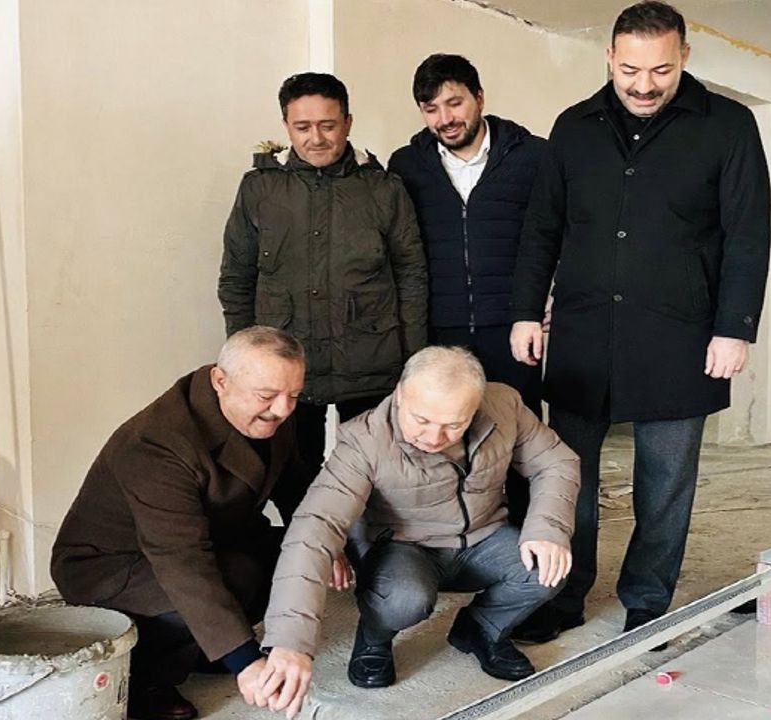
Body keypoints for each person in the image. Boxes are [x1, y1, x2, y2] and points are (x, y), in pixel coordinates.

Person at [508, 0, 771, 644]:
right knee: (566, 476)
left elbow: (747, 232)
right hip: (582, 333)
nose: (644, 85)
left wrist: (735, 326)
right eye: (630, 70)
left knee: (666, 482)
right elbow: (542, 227)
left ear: (684, 57)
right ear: (609, 58)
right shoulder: (573, 128)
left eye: (660, 70)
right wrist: (525, 311)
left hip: (680, 335)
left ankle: (648, 600)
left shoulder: (728, 126)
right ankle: (563, 595)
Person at [248, 347, 580, 717]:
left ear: (476, 406)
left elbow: (557, 461)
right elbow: (314, 527)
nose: (434, 437)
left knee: (548, 568)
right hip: (404, 546)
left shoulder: (504, 405)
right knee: (404, 598)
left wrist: (548, 528)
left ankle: (481, 628)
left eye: (454, 425)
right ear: (400, 394)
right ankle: (374, 637)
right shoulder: (363, 440)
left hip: (482, 537)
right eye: (421, 419)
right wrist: (290, 642)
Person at [51, 327, 310, 720]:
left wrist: (322, 546)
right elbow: (182, 561)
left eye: (294, 395)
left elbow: (295, 487)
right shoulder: (157, 442)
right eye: (267, 396)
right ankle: (141, 678)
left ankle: (206, 648)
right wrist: (244, 660)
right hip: (112, 565)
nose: (283, 409)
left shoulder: (272, 408)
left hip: (210, 538)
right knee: (235, 577)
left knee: (287, 560)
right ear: (220, 381)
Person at [219, 71, 428, 480]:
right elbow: (236, 279)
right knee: (289, 479)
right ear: (286, 126)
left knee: (375, 476)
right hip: (286, 366)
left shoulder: (384, 189)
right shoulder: (259, 189)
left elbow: (412, 277)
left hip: (371, 364)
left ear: (348, 123)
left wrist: (414, 363)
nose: (316, 138)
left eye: (328, 125)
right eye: (303, 127)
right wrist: (244, 363)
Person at [388, 53, 546, 524]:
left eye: (454, 103)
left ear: (479, 97)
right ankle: (453, 538)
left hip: (512, 328)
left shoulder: (533, 156)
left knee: (518, 439)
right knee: (444, 441)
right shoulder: (406, 165)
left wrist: (547, 297)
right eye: (431, 108)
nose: (445, 118)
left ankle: (523, 541)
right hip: (441, 330)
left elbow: (557, 235)